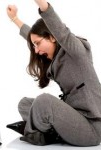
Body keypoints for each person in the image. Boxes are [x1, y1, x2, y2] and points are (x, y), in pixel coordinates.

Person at [6, 0, 101, 146]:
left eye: (37, 44)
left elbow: (62, 32)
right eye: (34, 45)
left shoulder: (75, 52)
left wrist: (42, 5)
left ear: (52, 37)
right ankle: (49, 131)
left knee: (44, 101)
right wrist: (15, 19)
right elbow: (31, 36)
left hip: (92, 128)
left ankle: (35, 132)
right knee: (25, 104)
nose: (36, 50)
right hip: (73, 116)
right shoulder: (54, 57)